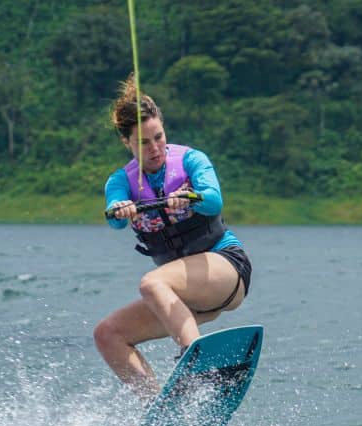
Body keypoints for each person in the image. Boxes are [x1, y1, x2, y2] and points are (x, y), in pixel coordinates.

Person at [94, 76, 252, 398]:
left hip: (225, 270)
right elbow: (113, 218)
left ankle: (198, 362)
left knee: (151, 283)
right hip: (182, 299)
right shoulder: (120, 182)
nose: (155, 149)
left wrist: (191, 196)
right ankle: (159, 411)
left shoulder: (192, 160)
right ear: (127, 143)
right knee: (107, 333)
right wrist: (122, 208)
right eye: (144, 143)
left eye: (159, 137)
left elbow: (214, 199)